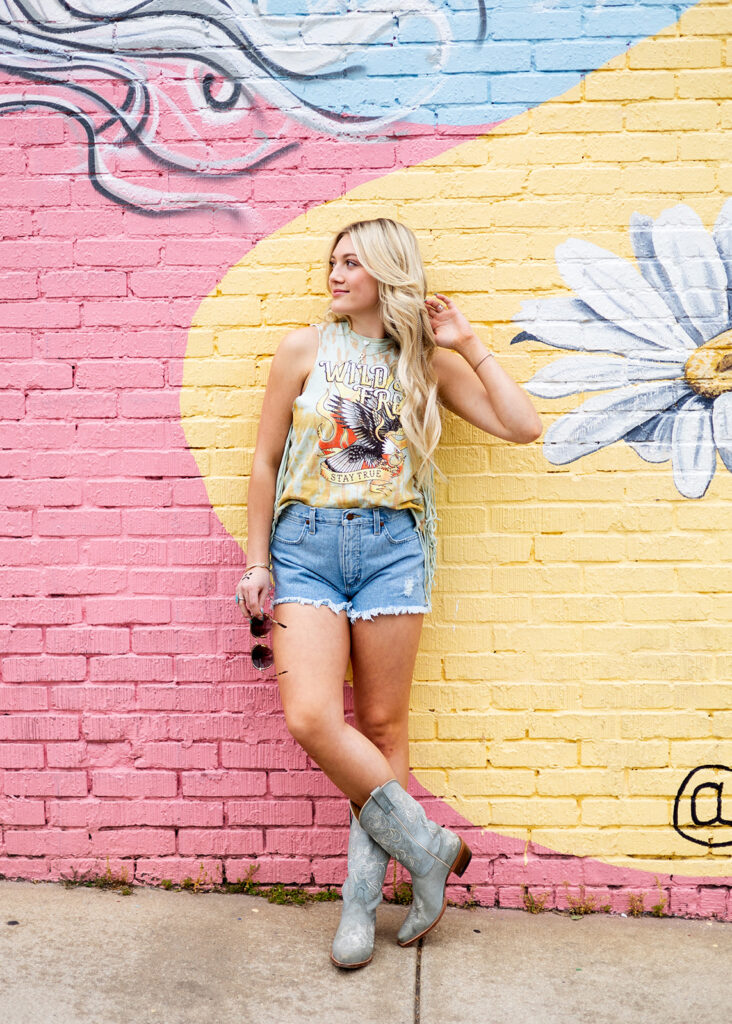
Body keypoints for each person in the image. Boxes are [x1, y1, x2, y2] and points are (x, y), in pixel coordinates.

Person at [235, 218, 542, 969]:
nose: (334, 275)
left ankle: (361, 910)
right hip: (305, 547)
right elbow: (265, 461)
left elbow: (522, 424)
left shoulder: (423, 361)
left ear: (384, 272)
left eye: (350, 263)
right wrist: (256, 561)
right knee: (311, 715)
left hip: (391, 552)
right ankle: (428, 850)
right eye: (331, 262)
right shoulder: (302, 350)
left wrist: (468, 343)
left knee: (381, 728)